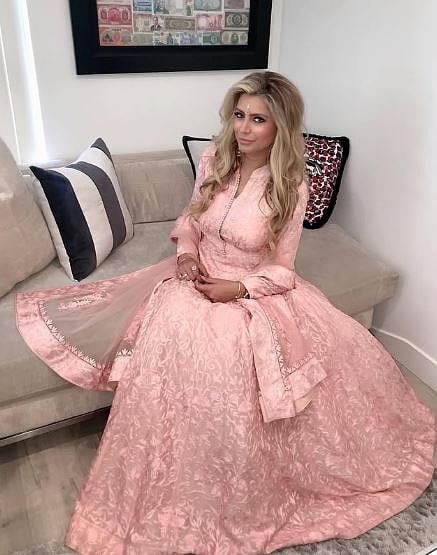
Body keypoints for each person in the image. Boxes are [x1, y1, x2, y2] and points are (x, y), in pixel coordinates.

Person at [16, 71, 436, 554]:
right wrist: (186, 256)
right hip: (192, 279)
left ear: (280, 126)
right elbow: (192, 221)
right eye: (239, 115)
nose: (244, 128)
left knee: (238, 358)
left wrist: (240, 288)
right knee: (171, 339)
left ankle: (240, 487)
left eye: (258, 119)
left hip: (251, 293)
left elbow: (282, 269)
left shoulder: (291, 185)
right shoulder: (215, 160)